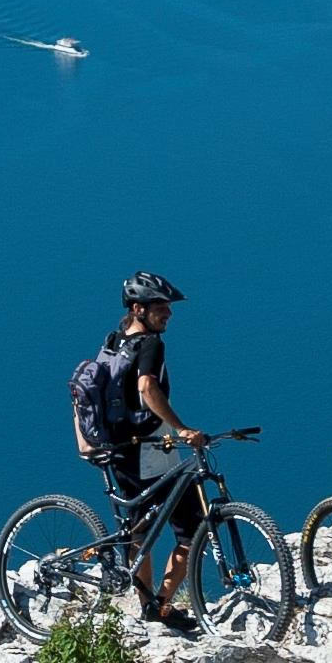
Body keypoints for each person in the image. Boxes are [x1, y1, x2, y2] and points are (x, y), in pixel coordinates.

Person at [73, 269, 212, 628]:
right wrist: (183, 429)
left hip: (118, 449)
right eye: (160, 308)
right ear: (138, 309)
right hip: (151, 449)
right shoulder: (151, 344)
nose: (168, 314)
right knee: (194, 528)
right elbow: (148, 389)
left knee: (139, 531)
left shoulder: (113, 341)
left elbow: (82, 388)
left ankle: (147, 601)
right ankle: (160, 605)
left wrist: (84, 441)